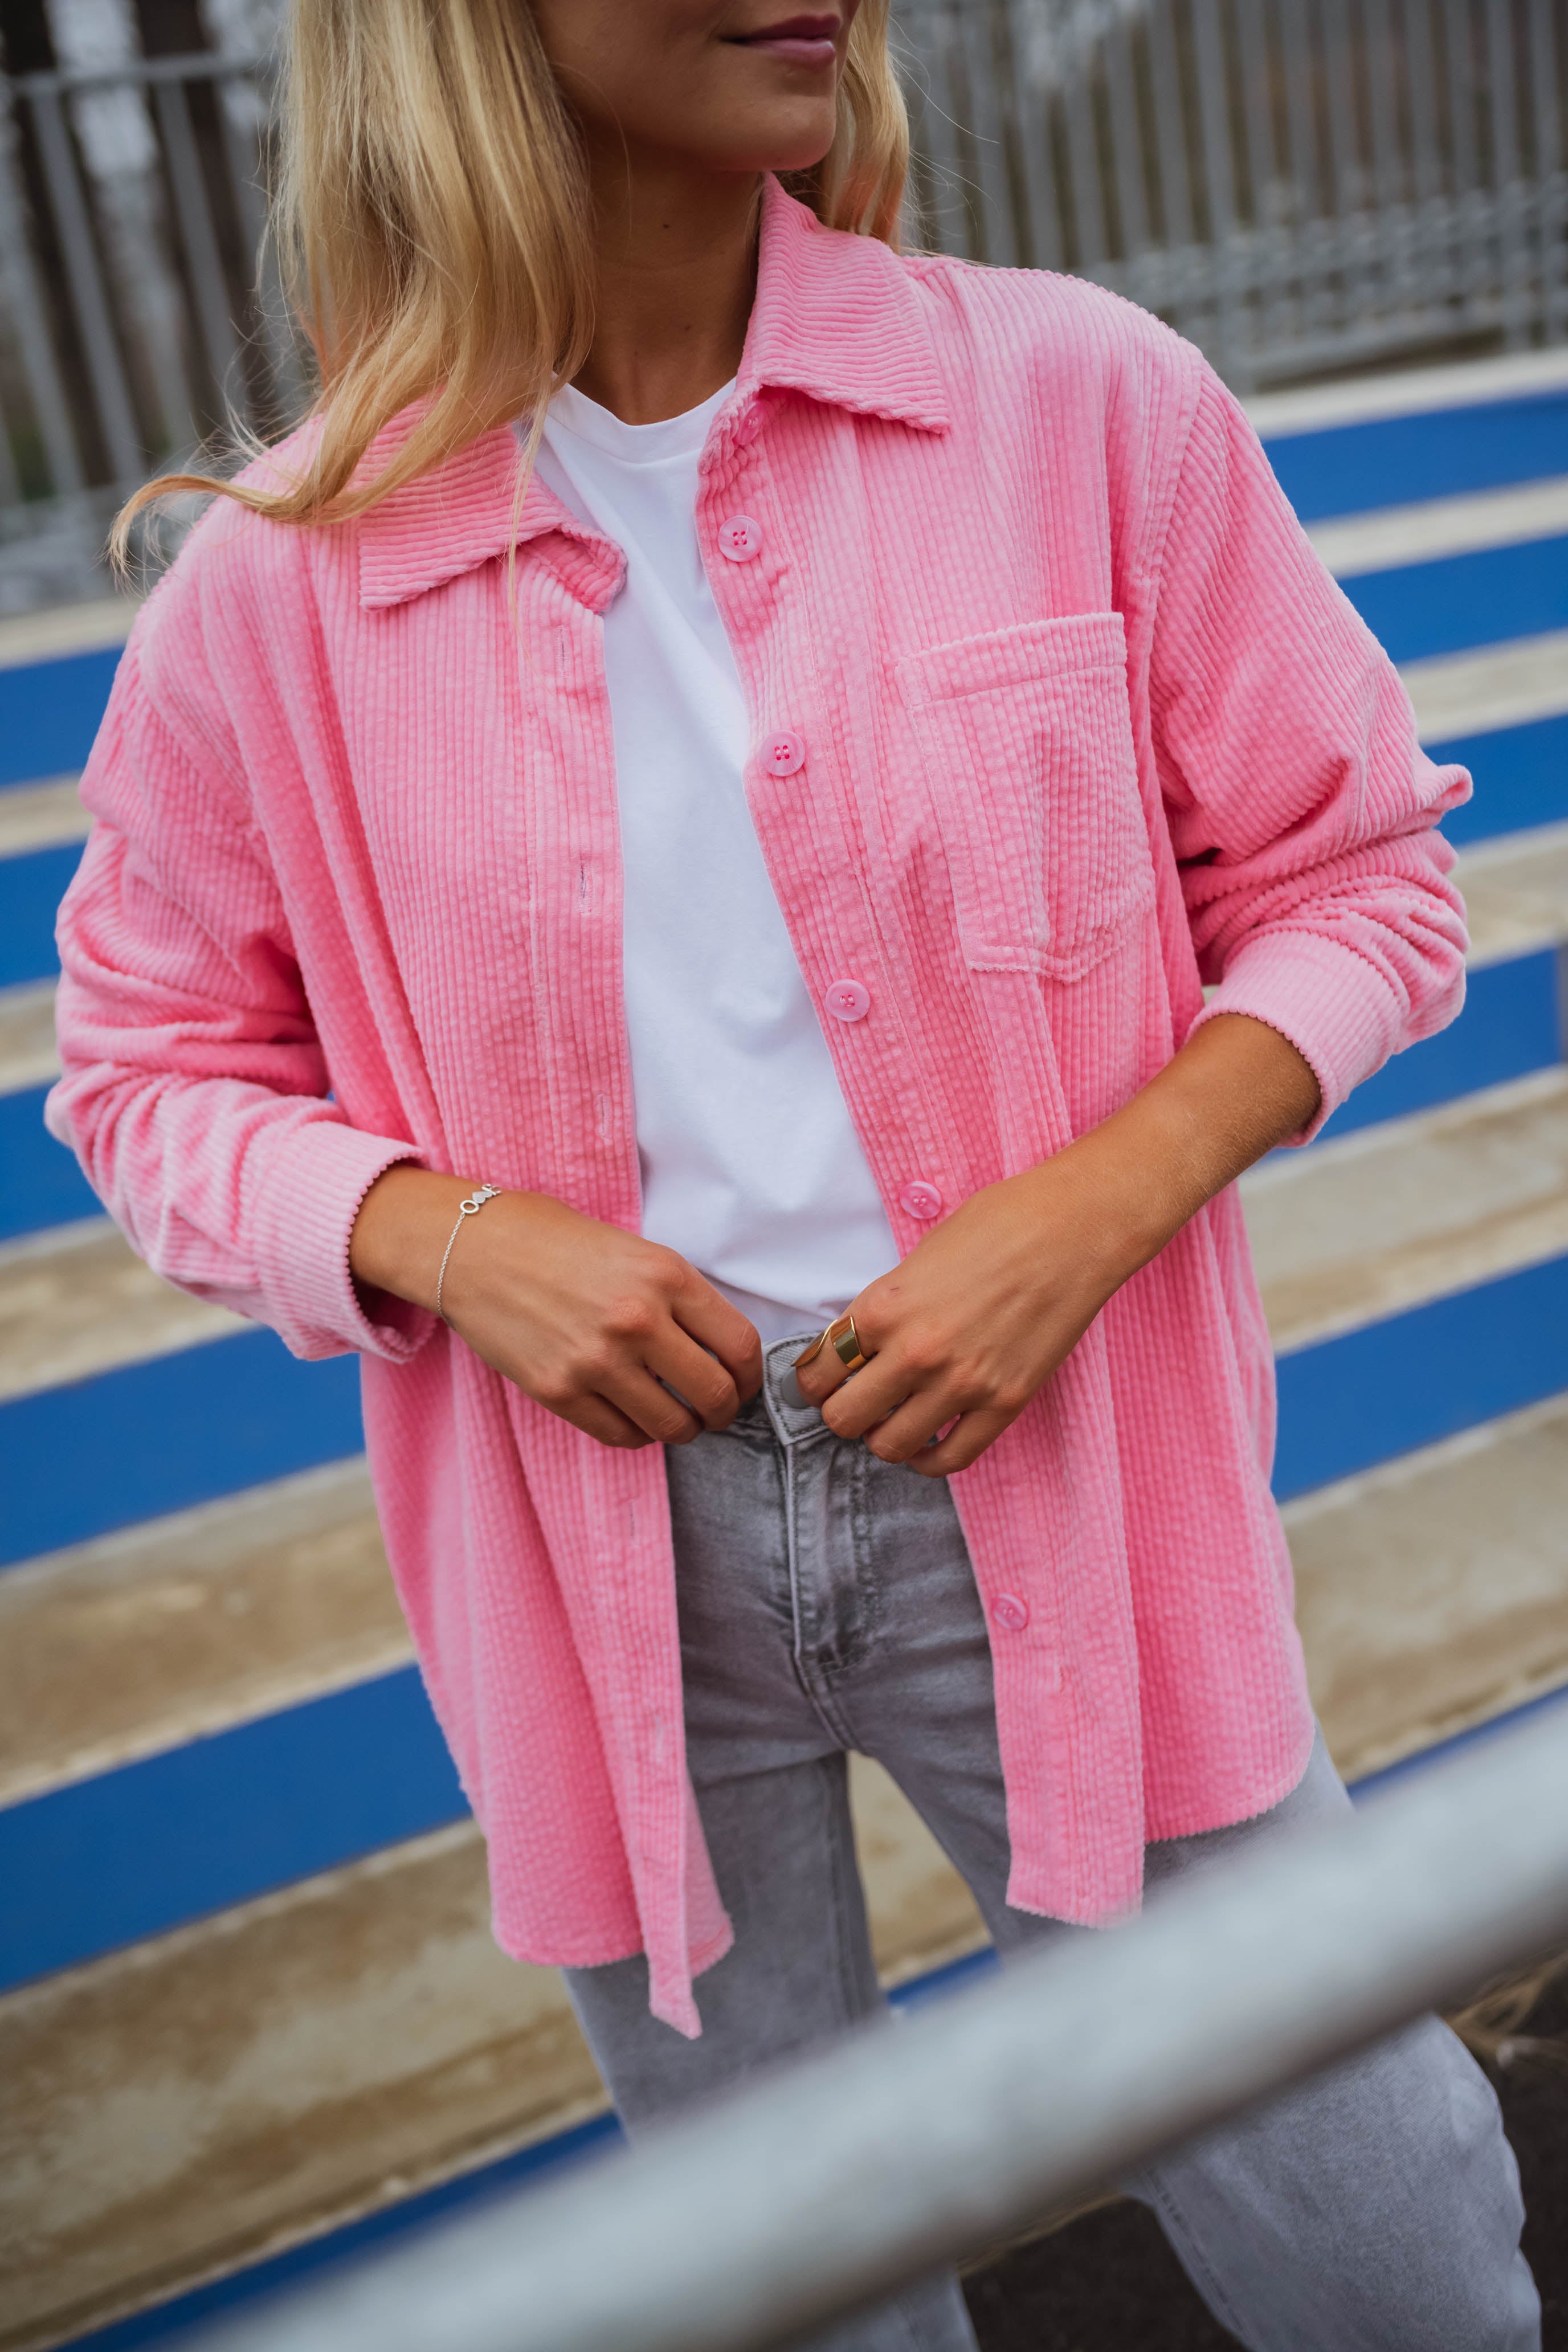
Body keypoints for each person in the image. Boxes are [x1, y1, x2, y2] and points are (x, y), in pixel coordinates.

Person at [51, 5, 1537, 2345]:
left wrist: (1086, 1213)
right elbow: (140, 1071)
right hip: (590, 1553)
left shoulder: (1077, 404)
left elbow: (1367, 884)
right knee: (776, 2271)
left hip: (1054, 1473)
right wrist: (452, 1236)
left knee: (1376, 2220)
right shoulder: (277, 590)